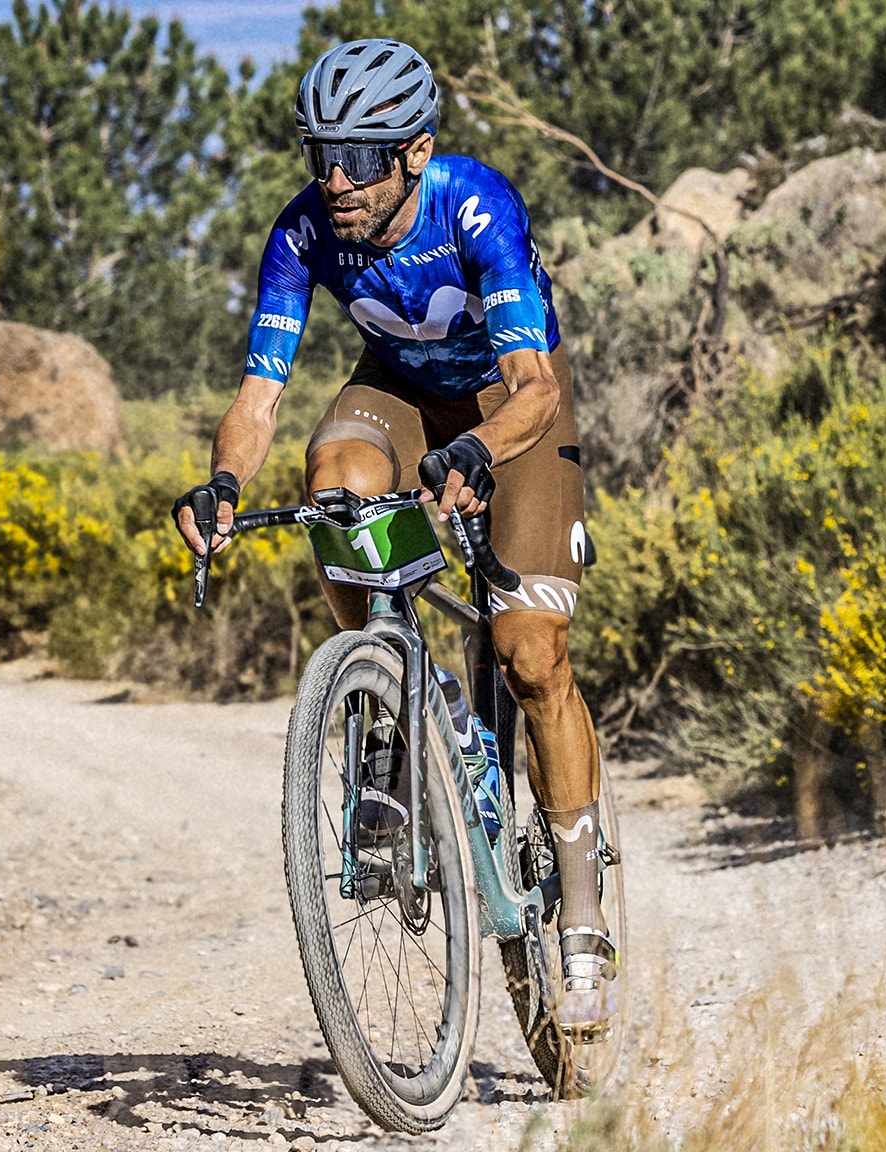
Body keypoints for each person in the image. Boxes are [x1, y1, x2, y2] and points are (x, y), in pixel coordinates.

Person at [170, 38, 611, 1032]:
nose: (334, 180)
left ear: (413, 153)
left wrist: (480, 455)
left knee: (531, 656)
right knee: (334, 483)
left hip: (512, 407)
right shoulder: (301, 234)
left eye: (359, 157)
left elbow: (534, 386)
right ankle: (393, 704)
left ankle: (581, 912)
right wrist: (224, 482)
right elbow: (258, 395)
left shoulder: (471, 202)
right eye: (318, 153)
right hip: (402, 394)